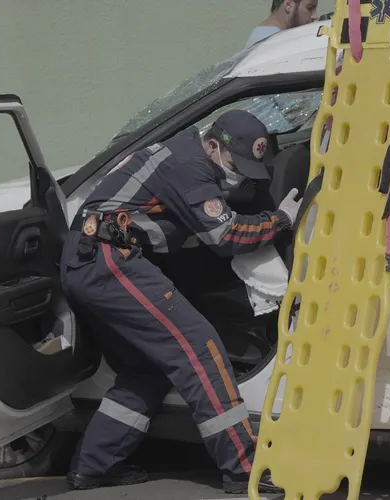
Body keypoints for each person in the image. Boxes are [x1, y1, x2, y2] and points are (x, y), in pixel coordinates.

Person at [59, 109, 300, 495]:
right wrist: (281, 219)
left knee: (147, 369)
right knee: (200, 348)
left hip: (93, 259)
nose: (238, 176)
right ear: (213, 145)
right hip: (109, 261)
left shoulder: (190, 156)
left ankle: (92, 467)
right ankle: (243, 468)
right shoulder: (190, 166)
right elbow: (227, 236)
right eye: (236, 166)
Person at [245, 0, 319, 48]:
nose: (315, 16)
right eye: (309, 8)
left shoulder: (261, 33)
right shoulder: (274, 42)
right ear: (288, 5)